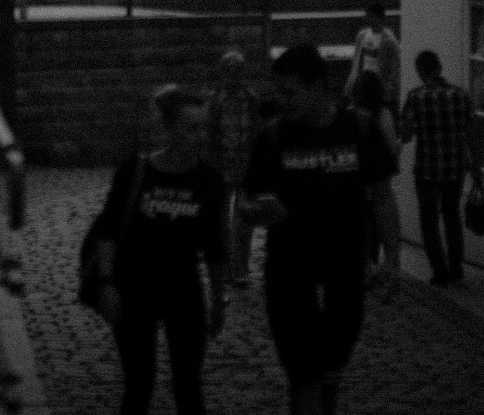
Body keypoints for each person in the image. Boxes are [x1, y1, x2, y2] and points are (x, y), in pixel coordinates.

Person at [88, 86, 230, 415]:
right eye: (191, 127)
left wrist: (219, 298)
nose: (200, 136)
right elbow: (109, 228)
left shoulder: (210, 181)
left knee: (189, 384)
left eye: (203, 127)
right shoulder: (137, 171)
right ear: (168, 128)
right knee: (139, 383)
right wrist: (107, 283)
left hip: (183, 289)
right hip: (134, 286)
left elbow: (214, 245)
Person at [245, 44, 369, 415]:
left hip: (344, 268)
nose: (284, 102)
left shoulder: (357, 129)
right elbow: (247, 206)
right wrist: (260, 212)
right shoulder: (272, 138)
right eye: (279, 93)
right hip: (289, 269)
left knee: (331, 366)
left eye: (291, 92)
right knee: (304, 373)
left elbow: (380, 198)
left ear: (318, 86)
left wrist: (390, 261)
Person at [397, 49, 483, 286]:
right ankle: (456, 266)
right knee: (452, 215)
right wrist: (475, 164)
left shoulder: (416, 97)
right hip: (455, 167)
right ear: (440, 67)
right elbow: (472, 133)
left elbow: (405, 135)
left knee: (429, 219)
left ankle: (439, 269)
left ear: (421, 71)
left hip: (427, 168)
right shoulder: (461, 96)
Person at [208, 50, 261, 286]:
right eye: (229, 72)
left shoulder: (251, 100)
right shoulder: (215, 101)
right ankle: (225, 267)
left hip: (246, 165)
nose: (234, 77)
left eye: (237, 72)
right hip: (222, 165)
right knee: (221, 221)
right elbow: (210, 134)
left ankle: (240, 267)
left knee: (244, 218)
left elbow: (257, 132)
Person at [350, 69, 402, 292]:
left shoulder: (352, 115)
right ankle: (385, 265)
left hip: (358, 179)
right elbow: (391, 147)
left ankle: (364, 267)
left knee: (360, 225)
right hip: (380, 178)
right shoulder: (384, 115)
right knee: (384, 224)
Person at [347, 2, 401, 113]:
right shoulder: (362, 36)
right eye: (368, 16)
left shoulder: (389, 41)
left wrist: (388, 91)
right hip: (364, 84)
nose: (369, 19)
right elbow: (357, 62)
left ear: (380, 18)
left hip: (379, 87)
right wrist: (353, 82)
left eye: (372, 16)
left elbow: (395, 68)